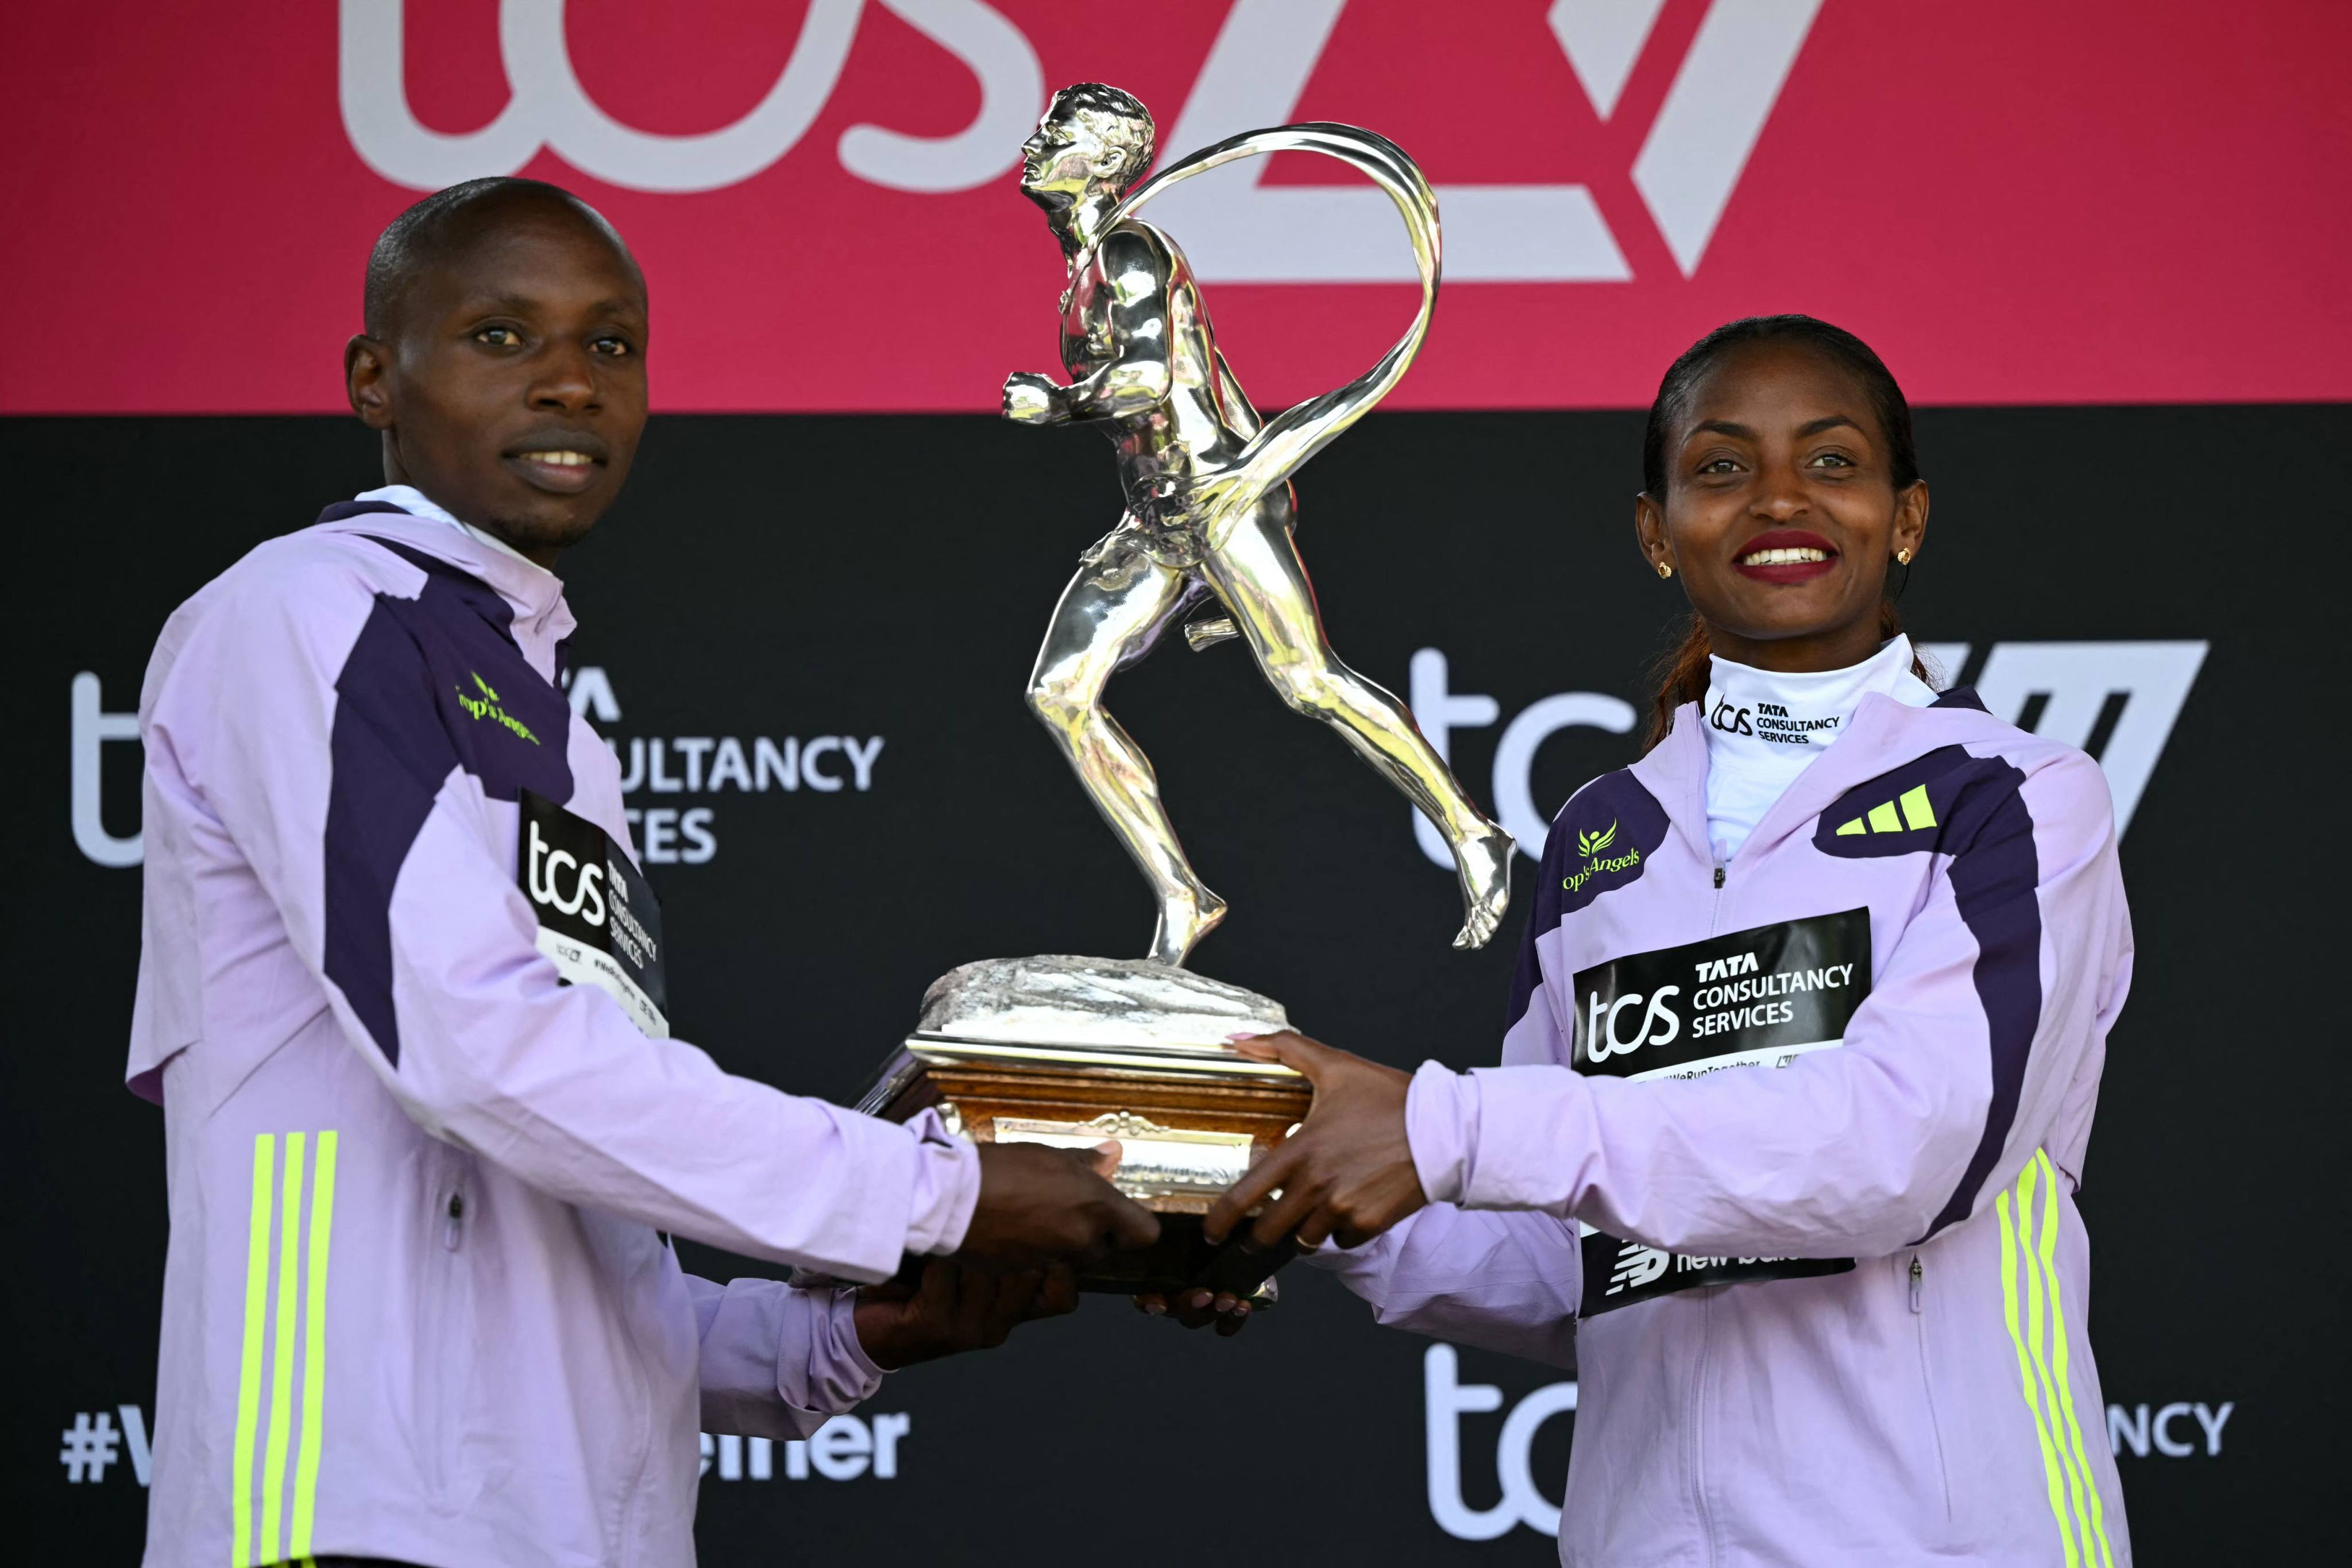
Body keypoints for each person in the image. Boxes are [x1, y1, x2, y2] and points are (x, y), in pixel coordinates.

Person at [127, 176, 1157, 1568]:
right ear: (378, 378)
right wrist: (943, 1193)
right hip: (336, 1521)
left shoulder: (558, 729)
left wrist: (835, 1335)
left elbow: (559, 1234)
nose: (567, 383)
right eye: (503, 337)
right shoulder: (315, 611)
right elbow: (479, 1054)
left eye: (610, 346)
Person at [1167, 316, 2137, 1565]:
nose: (1777, 498)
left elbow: (1903, 1152)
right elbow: (1556, 1256)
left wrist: (1442, 1127)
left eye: (1831, 462)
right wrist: (1287, 1198)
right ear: (1652, 529)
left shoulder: (2009, 795)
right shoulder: (1601, 833)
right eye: (1721, 467)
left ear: (1904, 517)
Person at [1003, 83, 1514, 966]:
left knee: (1307, 681)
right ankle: (1182, 892)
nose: (1039, 140)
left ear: (1111, 162)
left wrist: (1055, 405)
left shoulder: (1131, 251)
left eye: (1064, 131)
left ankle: (1473, 832)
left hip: (1220, 501)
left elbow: (1145, 382)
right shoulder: (1083, 272)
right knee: (1060, 692)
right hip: (1157, 519)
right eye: (1049, 124)